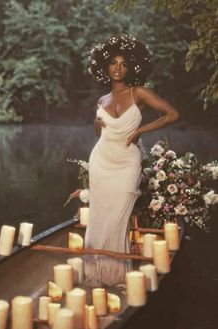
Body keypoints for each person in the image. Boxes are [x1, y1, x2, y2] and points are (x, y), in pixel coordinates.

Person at [84, 35, 179, 287]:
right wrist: (96, 124)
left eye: (124, 63)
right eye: (113, 62)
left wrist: (140, 131)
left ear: (132, 67)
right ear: (105, 66)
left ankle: (115, 276)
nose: (118, 68)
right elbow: (101, 135)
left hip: (126, 164)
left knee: (118, 218)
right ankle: (96, 273)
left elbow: (172, 114)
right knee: (100, 217)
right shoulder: (101, 101)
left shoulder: (139, 93)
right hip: (101, 162)